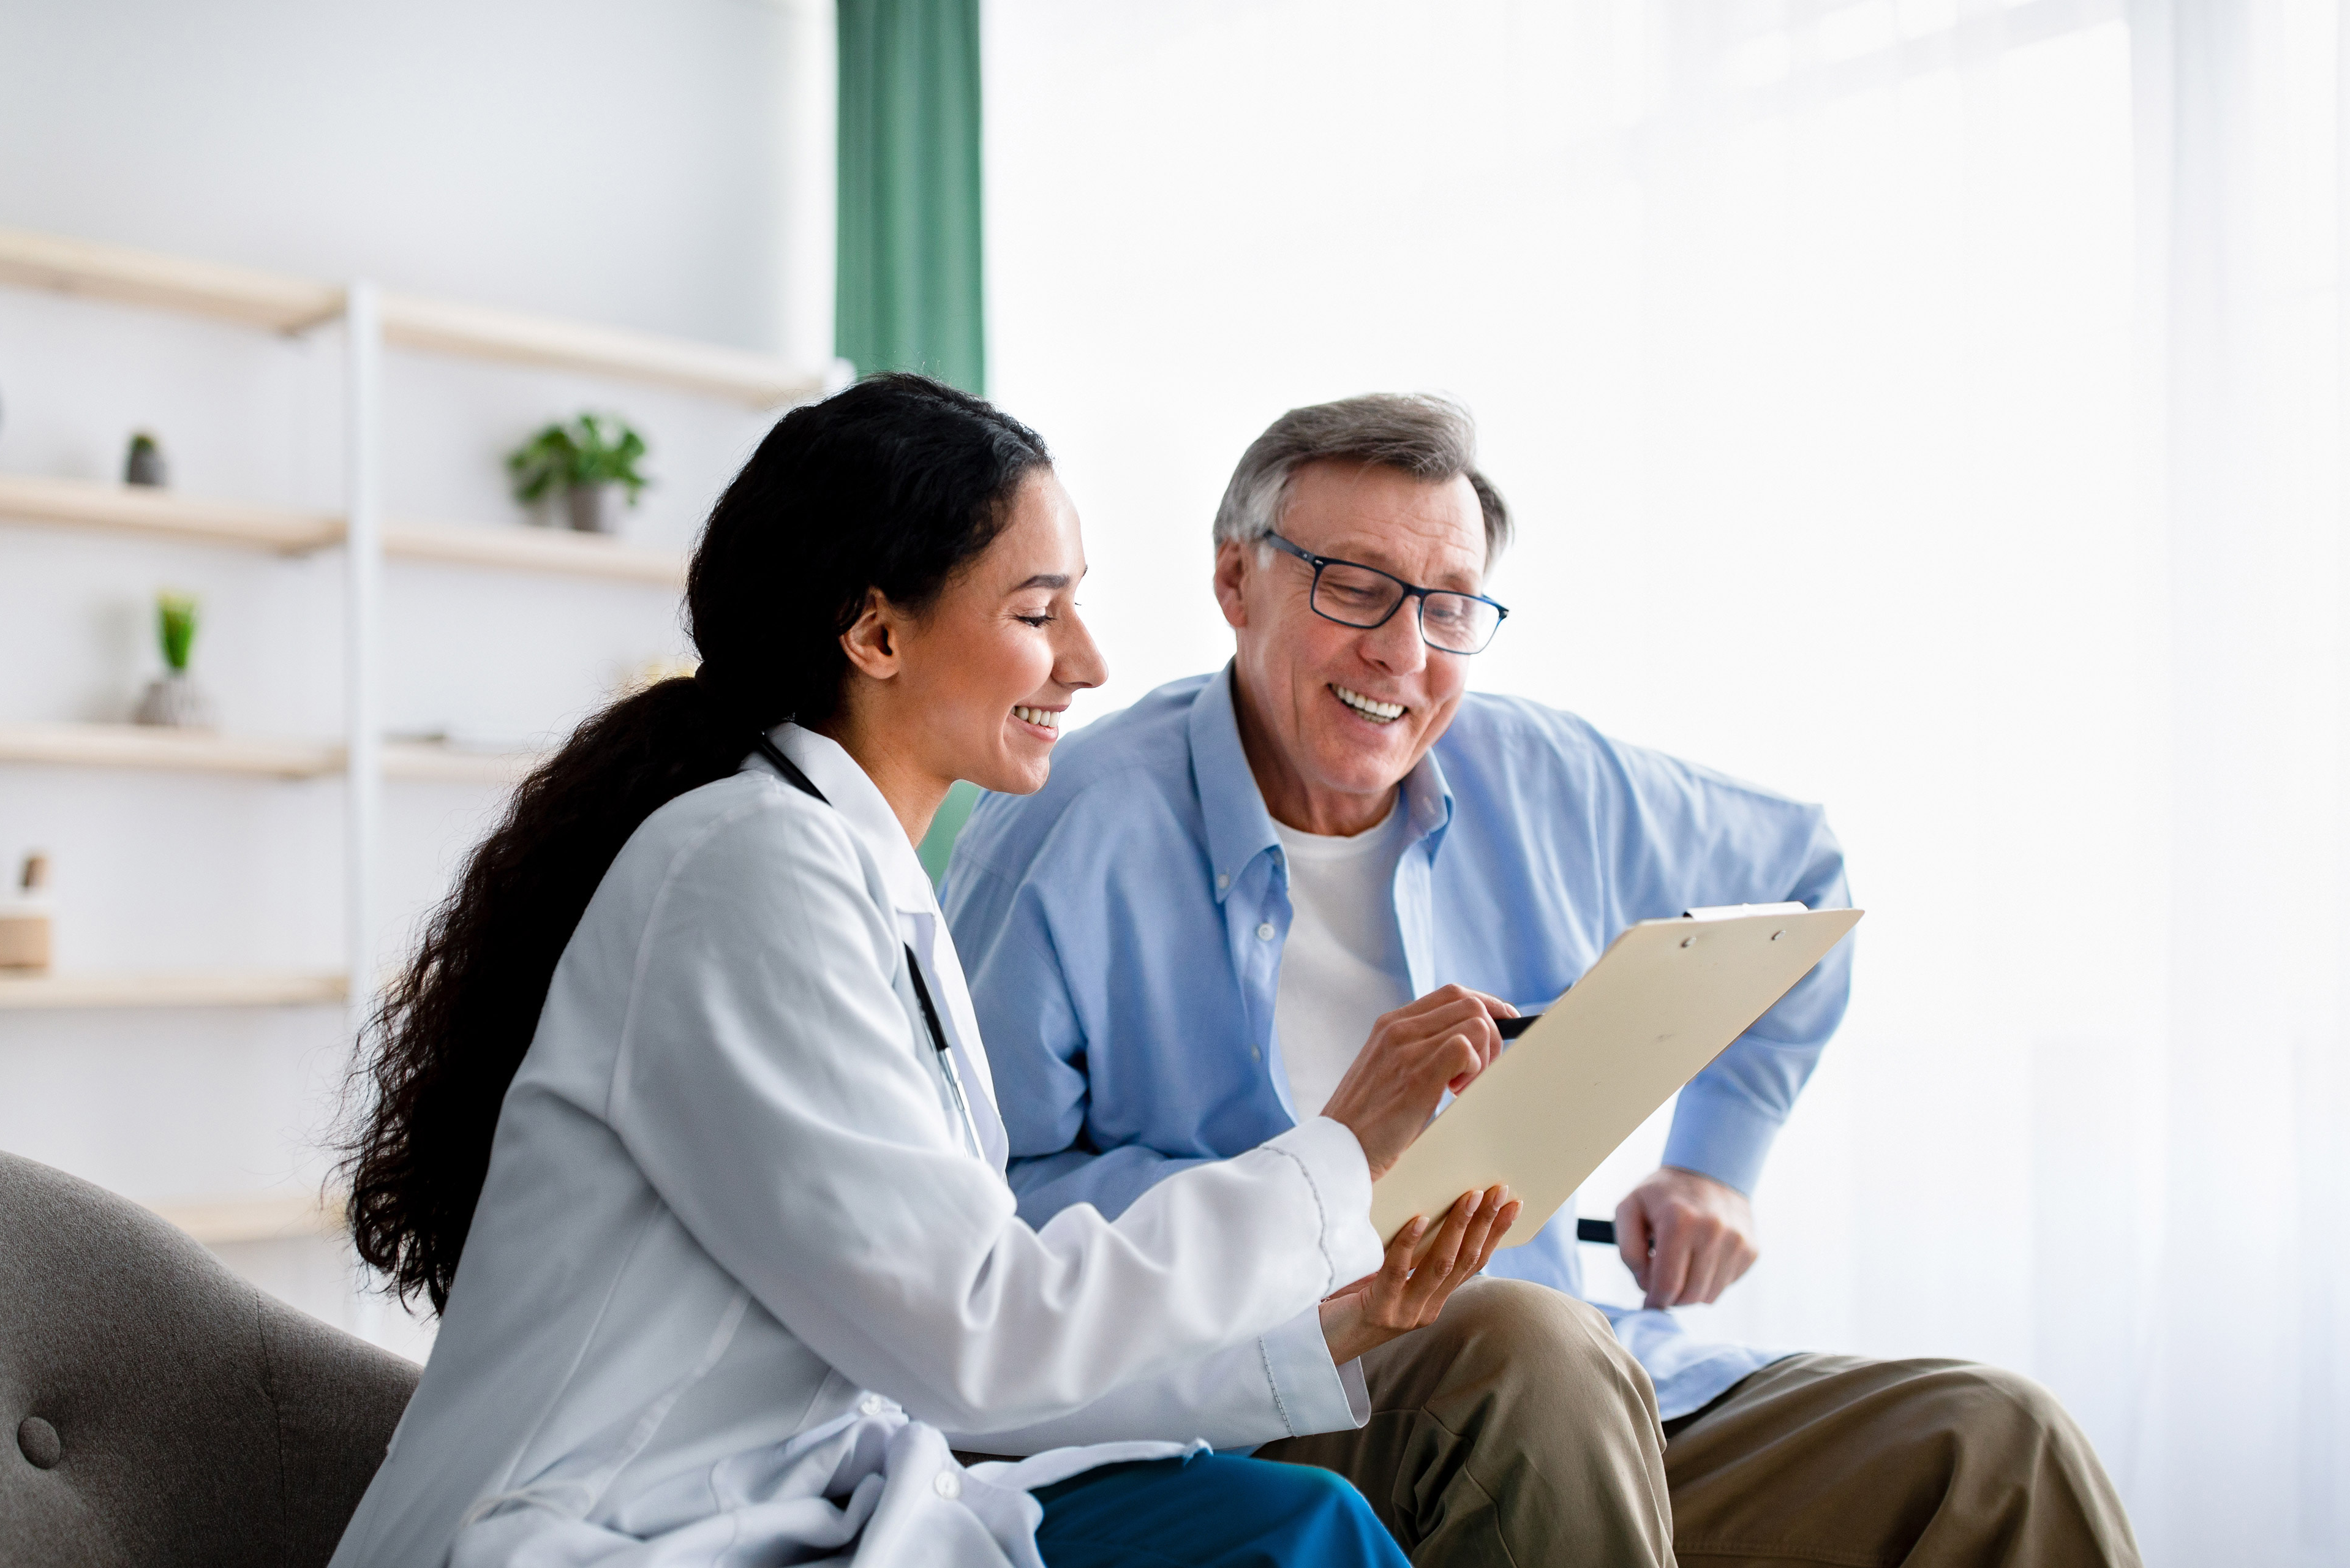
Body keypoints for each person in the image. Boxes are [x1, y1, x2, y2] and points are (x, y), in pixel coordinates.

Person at [325, 375, 1530, 1568]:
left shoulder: (863, 880)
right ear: (878, 630)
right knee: (1292, 1540)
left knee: (1301, 1526)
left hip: (802, 1501)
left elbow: (953, 1371)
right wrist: (1337, 1154)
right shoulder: (745, 868)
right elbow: (979, 1334)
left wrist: (1321, 1335)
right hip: (605, 1535)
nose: (1090, 660)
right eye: (1037, 612)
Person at [944, 393, 2143, 1567]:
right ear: (1235, 581)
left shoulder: (1545, 774)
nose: (1403, 652)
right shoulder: (1067, 830)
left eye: (1450, 607)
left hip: (1582, 1388)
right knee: (1529, 1347)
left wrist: (1715, 1160)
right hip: (1270, 1384)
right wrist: (1314, 1196)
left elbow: (1801, 877)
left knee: (1994, 1444)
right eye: (1355, 586)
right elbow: (987, 1224)